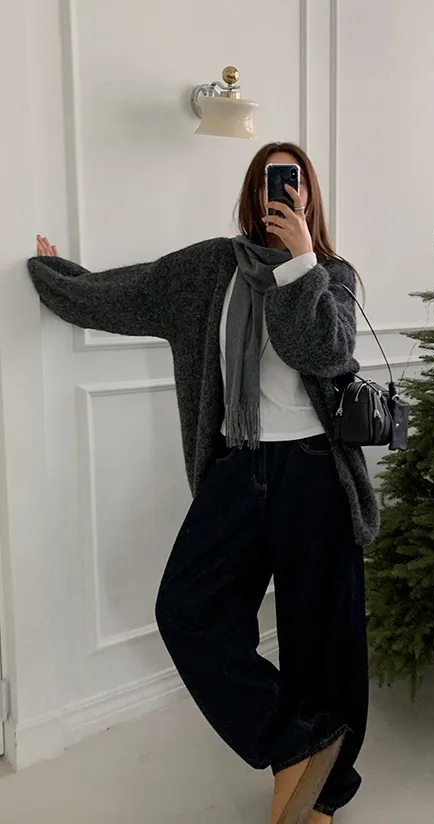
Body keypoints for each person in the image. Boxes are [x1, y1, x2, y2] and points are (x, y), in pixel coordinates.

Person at [29, 142, 379, 824]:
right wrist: (56, 275)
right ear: (251, 194)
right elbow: (127, 293)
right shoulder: (211, 269)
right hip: (238, 467)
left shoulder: (331, 276)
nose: (283, 193)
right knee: (186, 609)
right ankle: (297, 742)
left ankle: (324, 794)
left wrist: (300, 262)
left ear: (310, 196)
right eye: (270, 182)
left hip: (316, 472)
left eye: (294, 183)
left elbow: (322, 350)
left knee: (323, 636)